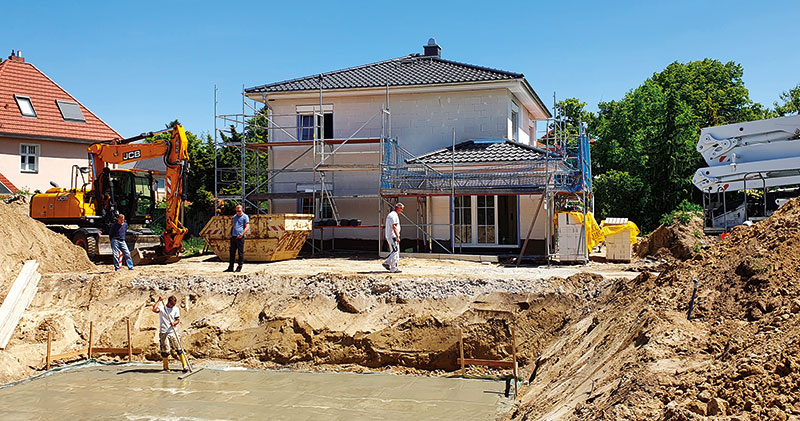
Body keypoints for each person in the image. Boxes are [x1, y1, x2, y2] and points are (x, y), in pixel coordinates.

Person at [151, 295, 188, 372]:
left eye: (174, 305)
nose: (172, 306)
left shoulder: (176, 309)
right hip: (164, 332)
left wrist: (174, 323)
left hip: (173, 331)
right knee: (165, 350)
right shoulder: (162, 308)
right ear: (169, 302)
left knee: (179, 348)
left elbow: (178, 320)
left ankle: (184, 365)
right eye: (171, 304)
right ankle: (166, 367)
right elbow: (154, 309)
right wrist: (159, 301)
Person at [225, 204, 250, 272]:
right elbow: (233, 225)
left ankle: (239, 267)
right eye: (236, 211)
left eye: (239, 211)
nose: (238, 212)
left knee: (240, 252)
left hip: (240, 237)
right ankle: (230, 267)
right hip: (233, 236)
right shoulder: (235, 217)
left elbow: (247, 226)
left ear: (242, 210)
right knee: (232, 252)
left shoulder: (245, 217)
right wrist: (230, 232)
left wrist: (242, 234)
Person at [382, 203, 404, 273]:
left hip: (390, 236)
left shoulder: (391, 215)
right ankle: (390, 265)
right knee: (395, 252)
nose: (402, 211)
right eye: (401, 209)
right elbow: (394, 226)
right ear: (398, 208)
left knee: (394, 251)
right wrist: (397, 236)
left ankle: (392, 266)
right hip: (393, 236)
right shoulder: (394, 215)